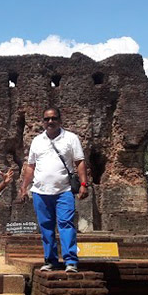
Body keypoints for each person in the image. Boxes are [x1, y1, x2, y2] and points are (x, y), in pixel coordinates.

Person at [18, 106, 89, 273]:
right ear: (43, 122)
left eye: (54, 118)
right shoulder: (37, 141)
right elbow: (30, 166)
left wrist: (84, 184)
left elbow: (79, 162)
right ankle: (50, 260)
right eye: (47, 119)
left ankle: (70, 261)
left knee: (66, 224)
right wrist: (24, 187)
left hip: (64, 190)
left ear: (60, 120)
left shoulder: (71, 138)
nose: (50, 121)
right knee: (46, 227)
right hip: (40, 192)